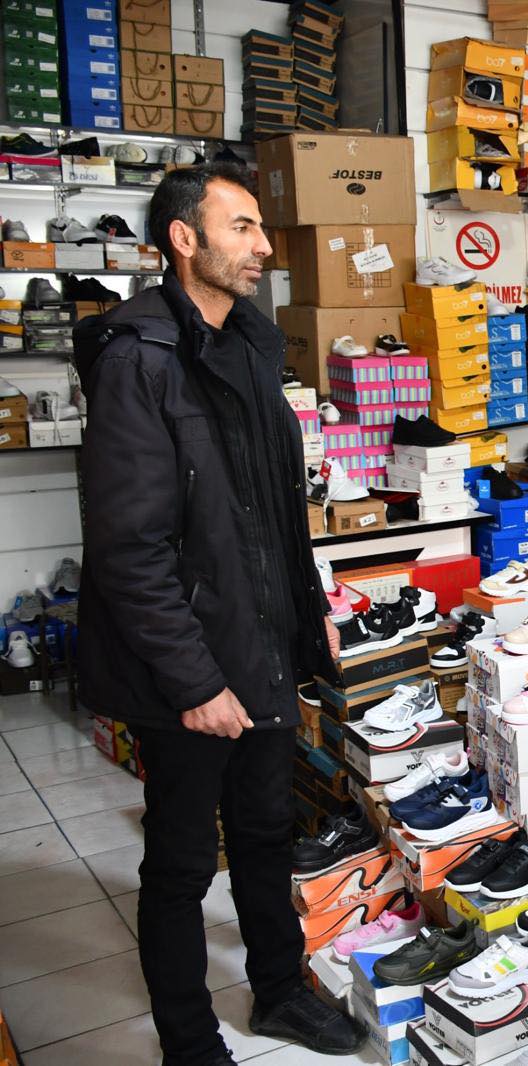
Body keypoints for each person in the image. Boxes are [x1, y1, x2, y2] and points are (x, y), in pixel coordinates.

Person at [74, 164, 360, 1064]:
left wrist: (308, 615)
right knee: (182, 862)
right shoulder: (139, 361)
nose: (264, 246)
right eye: (243, 227)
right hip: (187, 666)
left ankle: (278, 992)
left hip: (261, 641)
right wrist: (195, 683)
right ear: (183, 239)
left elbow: (274, 513)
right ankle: (190, 1040)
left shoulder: (251, 348)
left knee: (269, 833)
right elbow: (129, 549)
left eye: (261, 228)